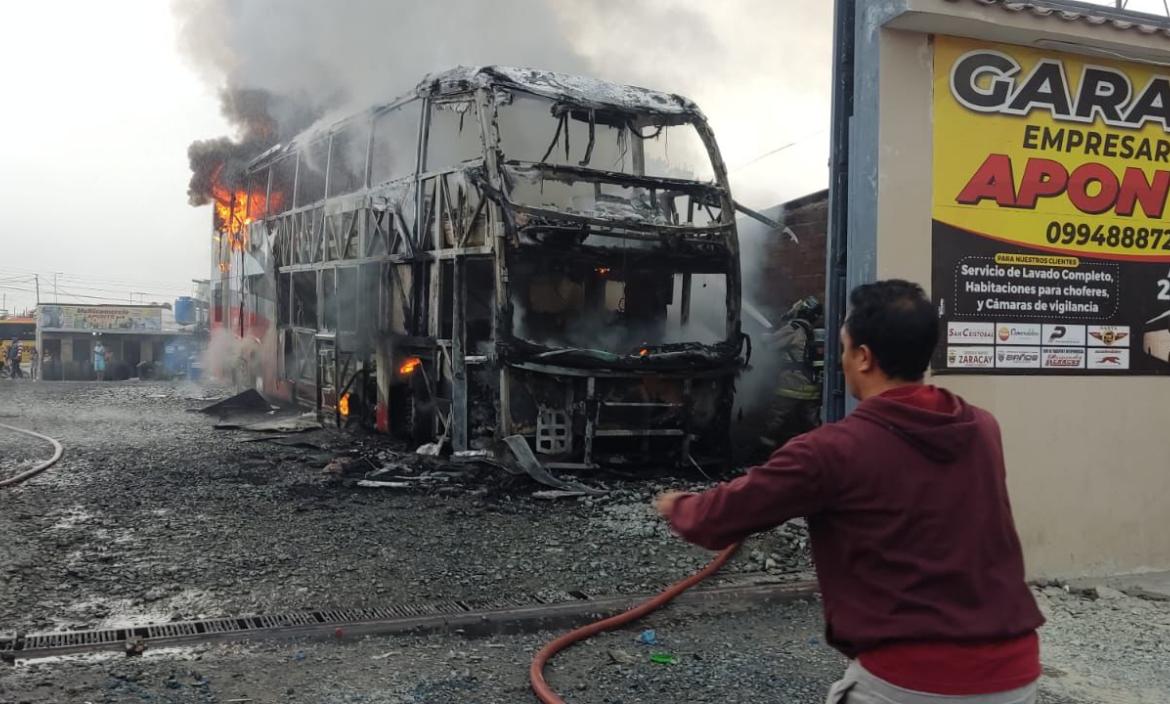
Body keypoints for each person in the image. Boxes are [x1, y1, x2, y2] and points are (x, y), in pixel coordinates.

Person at [655, 280, 1043, 704]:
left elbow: (720, 518)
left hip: (910, 681)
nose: (838, 359)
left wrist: (680, 506)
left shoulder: (831, 451)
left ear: (863, 357)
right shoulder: (981, 427)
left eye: (842, 347)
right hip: (1015, 674)